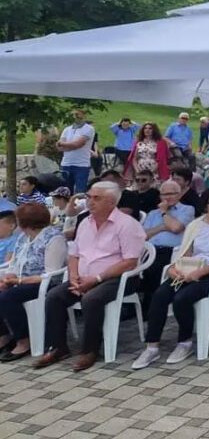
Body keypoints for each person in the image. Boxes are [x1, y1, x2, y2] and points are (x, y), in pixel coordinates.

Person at [35, 182, 146, 372]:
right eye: (88, 197)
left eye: (96, 198)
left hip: (117, 278)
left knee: (91, 299)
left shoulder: (127, 225)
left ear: (111, 202)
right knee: (54, 296)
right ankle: (58, 347)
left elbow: (130, 262)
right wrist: (74, 276)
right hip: (83, 276)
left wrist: (96, 279)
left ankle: (90, 350)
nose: (90, 202)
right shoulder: (85, 222)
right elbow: (74, 254)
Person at [132, 187, 209, 369]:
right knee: (160, 295)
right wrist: (175, 268)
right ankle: (152, 346)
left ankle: (184, 342)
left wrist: (201, 272)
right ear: (205, 205)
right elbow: (186, 252)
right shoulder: (196, 225)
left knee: (182, 298)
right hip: (191, 268)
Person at [0, 204, 68, 362]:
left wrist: (19, 281)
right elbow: (14, 263)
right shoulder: (24, 238)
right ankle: (4, 336)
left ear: (25, 222)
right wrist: (8, 277)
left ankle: (24, 340)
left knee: (7, 297)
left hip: (45, 284)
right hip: (22, 281)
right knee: (4, 290)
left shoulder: (54, 238)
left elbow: (51, 272)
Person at [140, 180, 197, 311]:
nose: (167, 197)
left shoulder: (187, 210)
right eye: (164, 194)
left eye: (171, 194)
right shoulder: (153, 213)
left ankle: (151, 307)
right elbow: (143, 235)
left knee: (154, 267)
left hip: (173, 252)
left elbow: (176, 227)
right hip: (150, 250)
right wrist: (162, 227)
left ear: (179, 194)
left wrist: (164, 213)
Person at [57, 109, 95, 193]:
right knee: (65, 192)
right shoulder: (67, 129)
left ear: (84, 116)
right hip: (66, 164)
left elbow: (78, 144)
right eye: (73, 115)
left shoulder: (89, 129)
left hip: (81, 165)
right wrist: (72, 146)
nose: (75, 116)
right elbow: (59, 147)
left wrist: (65, 144)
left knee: (80, 191)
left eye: (78, 114)